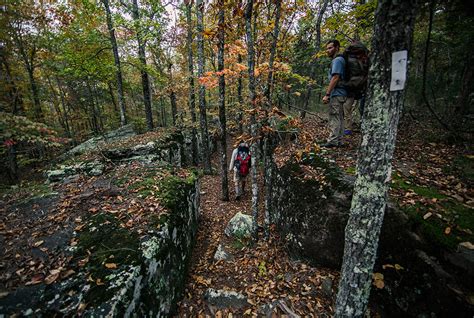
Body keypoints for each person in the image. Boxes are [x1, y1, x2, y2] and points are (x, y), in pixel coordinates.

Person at [322, 39, 354, 147]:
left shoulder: (337, 60)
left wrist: (327, 94)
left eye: (330, 48)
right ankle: (339, 141)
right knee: (340, 117)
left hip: (337, 93)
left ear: (337, 48)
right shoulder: (341, 60)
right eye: (327, 48)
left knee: (334, 116)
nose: (328, 50)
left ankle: (333, 141)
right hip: (342, 93)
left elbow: (335, 77)